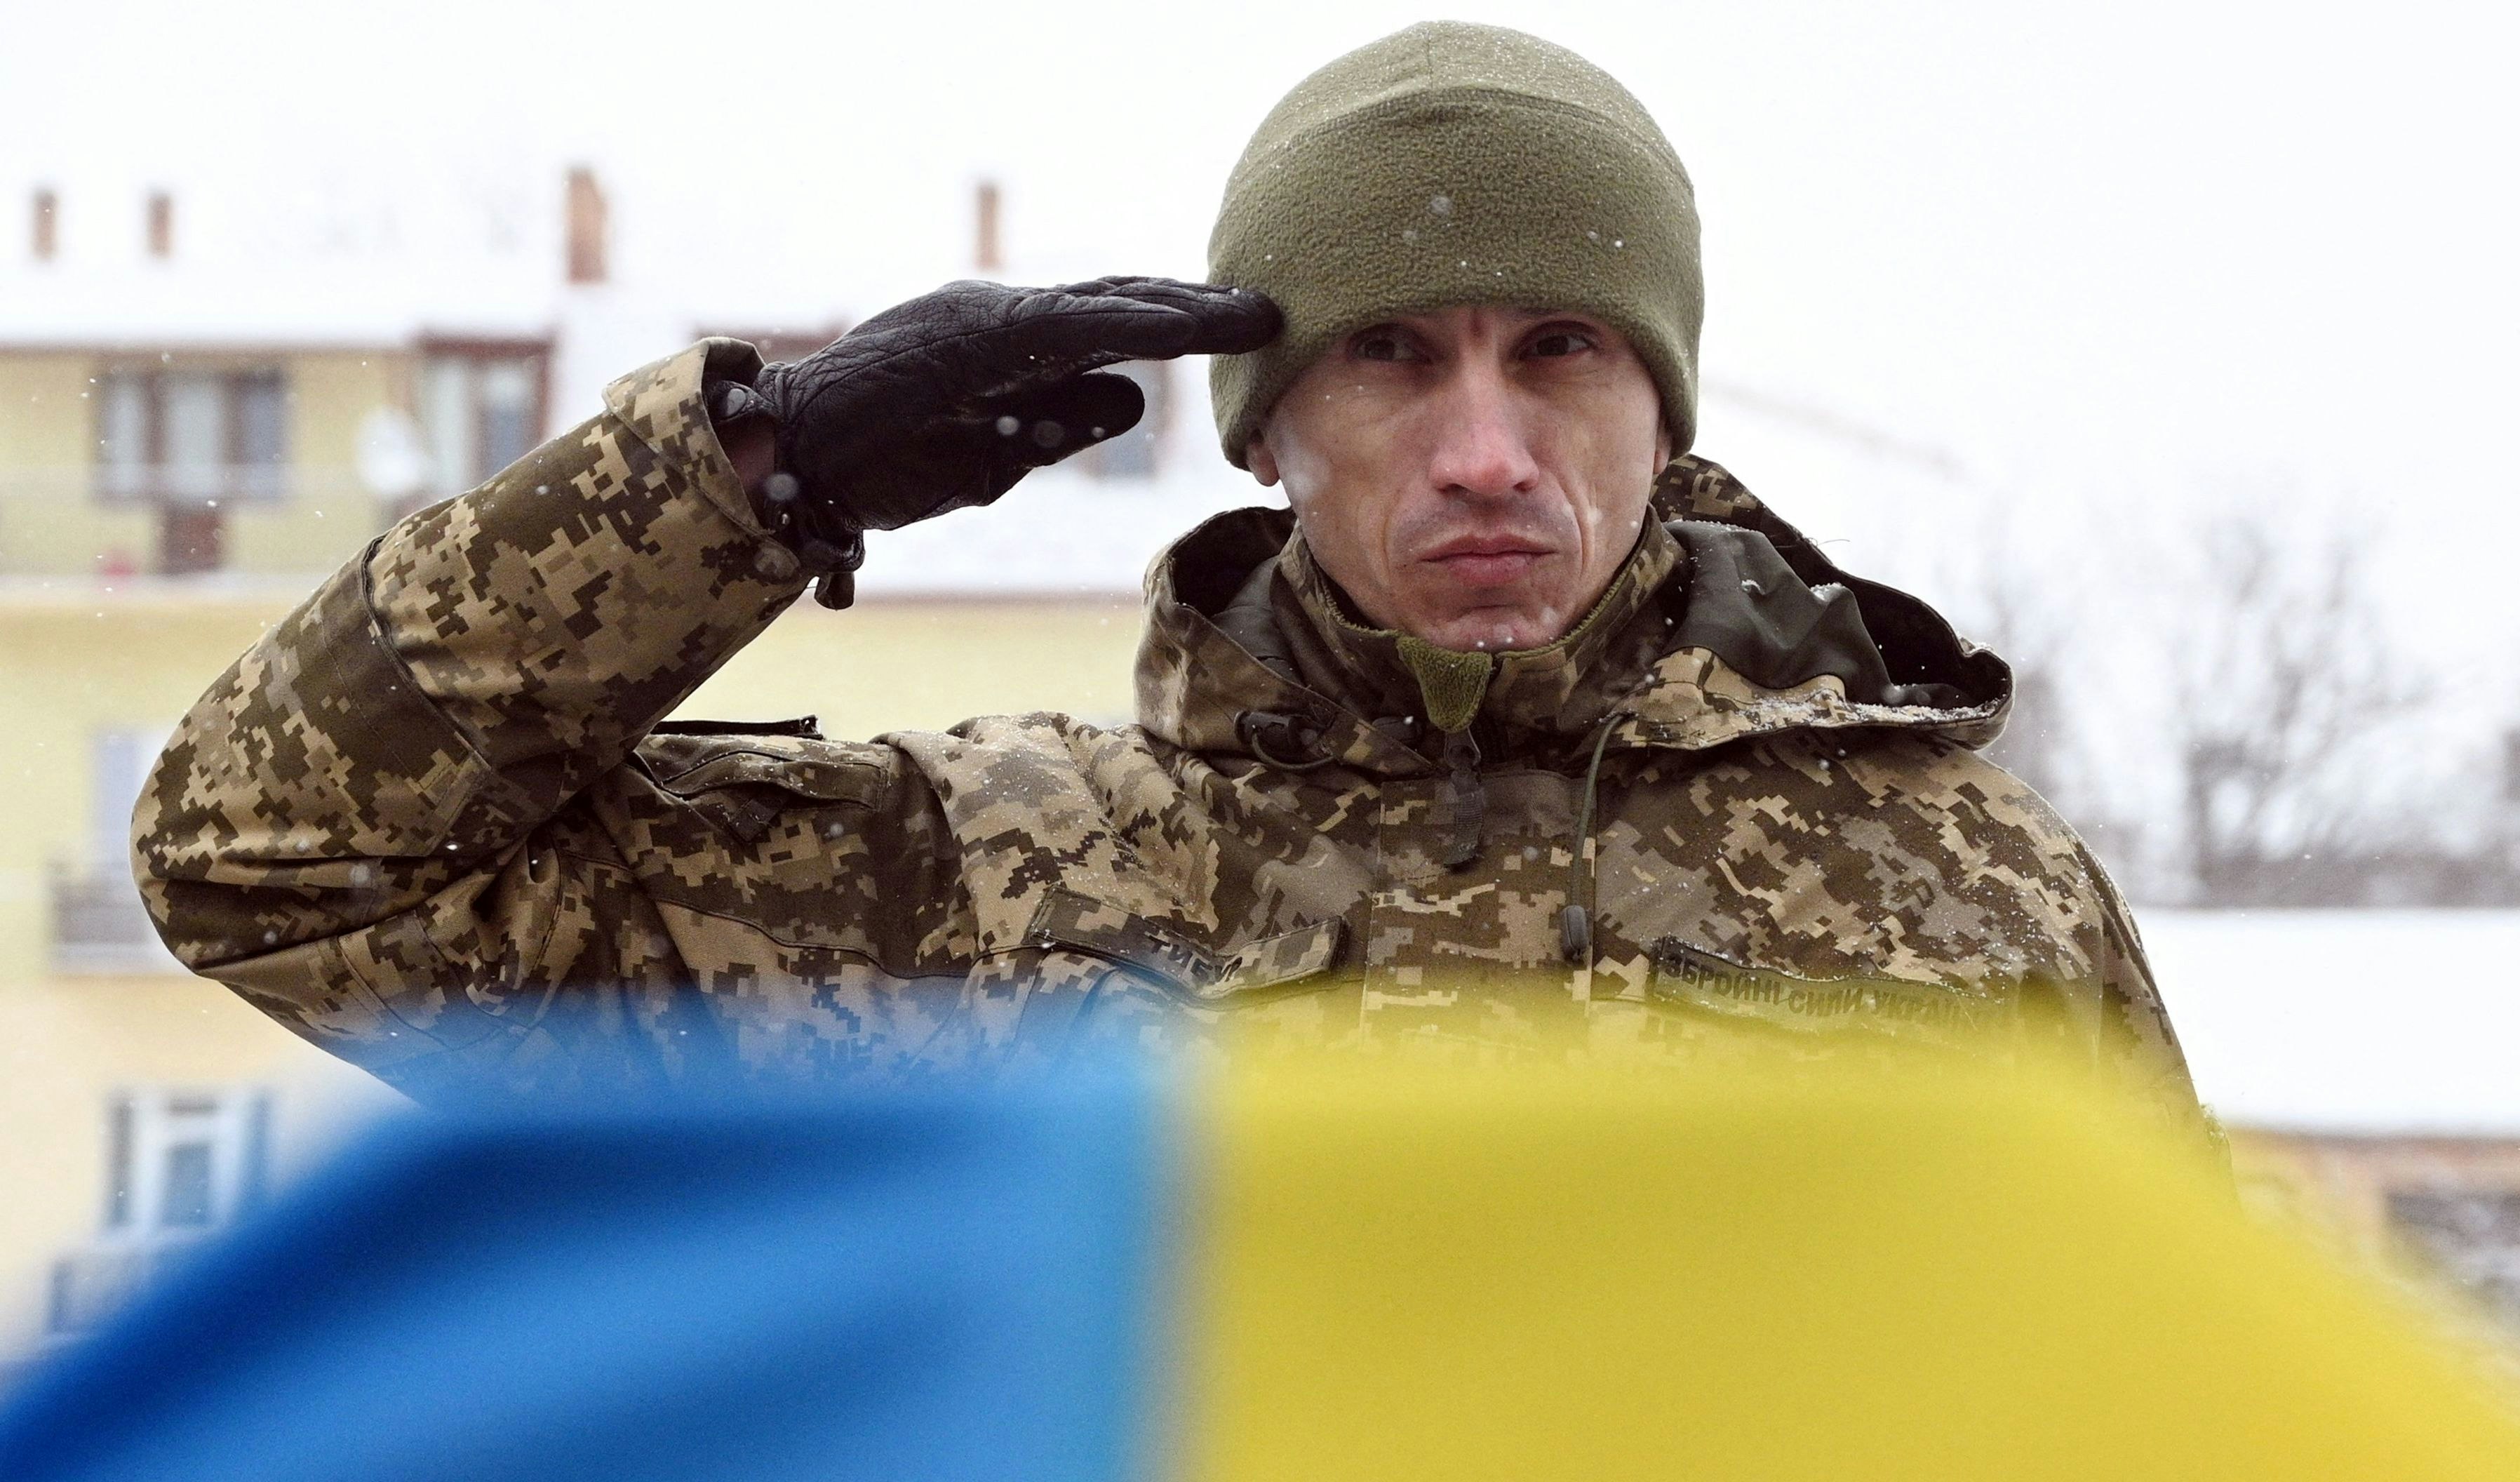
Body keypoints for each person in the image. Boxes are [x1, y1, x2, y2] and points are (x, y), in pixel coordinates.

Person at [134, 22, 2195, 1113]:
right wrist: (752, 473)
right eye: (1390, 354)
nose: (1484, 448)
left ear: (1666, 403)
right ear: (1267, 421)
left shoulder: (1968, 890)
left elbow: (2161, 1434)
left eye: (1559, 346)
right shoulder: (976, 878)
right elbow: (273, 859)